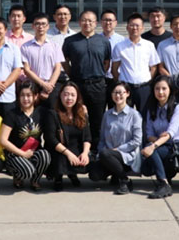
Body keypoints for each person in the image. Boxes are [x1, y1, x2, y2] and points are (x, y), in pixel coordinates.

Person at [62, 10, 110, 149]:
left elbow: (106, 62)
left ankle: (95, 150)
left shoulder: (103, 41)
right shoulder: (70, 41)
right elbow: (65, 61)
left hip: (97, 86)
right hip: (78, 85)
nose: (87, 23)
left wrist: (98, 73)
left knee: (97, 120)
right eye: (84, 20)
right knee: (77, 117)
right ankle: (76, 148)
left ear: (96, 23)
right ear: (79, 22)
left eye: (90, 20)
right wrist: (73, 75)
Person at [89, 82, 143, 195]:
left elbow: (137, 141)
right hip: (107, 155)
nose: (118, 95)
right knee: (94, 175)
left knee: (106, 154)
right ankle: (116, 174)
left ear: (127, 94)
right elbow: (102, 139)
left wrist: (117, 150)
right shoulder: (107, 115)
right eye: (115, 93)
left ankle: (125, 180)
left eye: (121, 93)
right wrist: (101, 153)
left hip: (126, 155)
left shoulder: (134, 115)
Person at [0, 82, 52, 191]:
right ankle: (17, 176)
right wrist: (22, 153)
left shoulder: (41, 112)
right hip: (15, 153)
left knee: (45, 155)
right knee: (28, 171)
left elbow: (57, 112)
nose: (25, 99)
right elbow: (3, 140)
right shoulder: (12, 114)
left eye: (29, 95)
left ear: (35, 96)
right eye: (22, 95)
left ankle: (35, 180)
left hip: (33, 151)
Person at [141, 76, 179, 199]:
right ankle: (164, 180)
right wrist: (157, 141)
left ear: (170, 90)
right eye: (157, 89)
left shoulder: (177, 108)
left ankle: (163, 183)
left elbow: (171, 133)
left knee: (151, 151)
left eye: (164, 89)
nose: (160, 92)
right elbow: (149, 134)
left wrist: (153, 146)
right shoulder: (151, 109)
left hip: (174, 145)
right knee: (145, 167)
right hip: (160, 143)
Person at [46, 81, 92, 191]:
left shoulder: (81, 112)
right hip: (60, 149)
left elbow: (87, 137)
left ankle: (72, 174)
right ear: (60, 95)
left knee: (90, 160)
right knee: (60, 158)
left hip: (75, 147)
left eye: (72, 95)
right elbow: (51, 139)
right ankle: (58, 178)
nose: (69, 98)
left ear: (77, 97)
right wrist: (69, 154)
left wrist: (85, 153)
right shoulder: (53, 113)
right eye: (66, 94)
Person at [112, 13, 160, 112]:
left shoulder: (149, 45)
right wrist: (121, 82)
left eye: (137, 25)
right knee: (124, 115)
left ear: (142, 28)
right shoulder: (119, 46)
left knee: (144, 115)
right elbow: (114, 69)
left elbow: (154, 67)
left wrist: (147, 80)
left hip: (144, 88)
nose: (134, 28)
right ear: (127, 28)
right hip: (126, 88)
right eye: (132, 25)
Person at [22, 12, 64, 108]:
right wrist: (42, 84)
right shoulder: (25, 47)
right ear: (33, 26)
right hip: (33, 86)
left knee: (52, 113)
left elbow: (58, 68)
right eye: (37, 24)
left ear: (48, 26)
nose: (40, 27)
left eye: (43, 24)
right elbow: (26, 70)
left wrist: (48, 86)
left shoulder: (55, 46)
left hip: (52, 86)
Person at [100, 9, 125, 108]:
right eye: (105, 20)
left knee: (115, 109)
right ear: (101, 22)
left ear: (115, 22)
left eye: (110, 20)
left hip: (116, 80)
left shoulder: (122, 41)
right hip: (100, 80)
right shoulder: (96, 39)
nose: (108, 23)